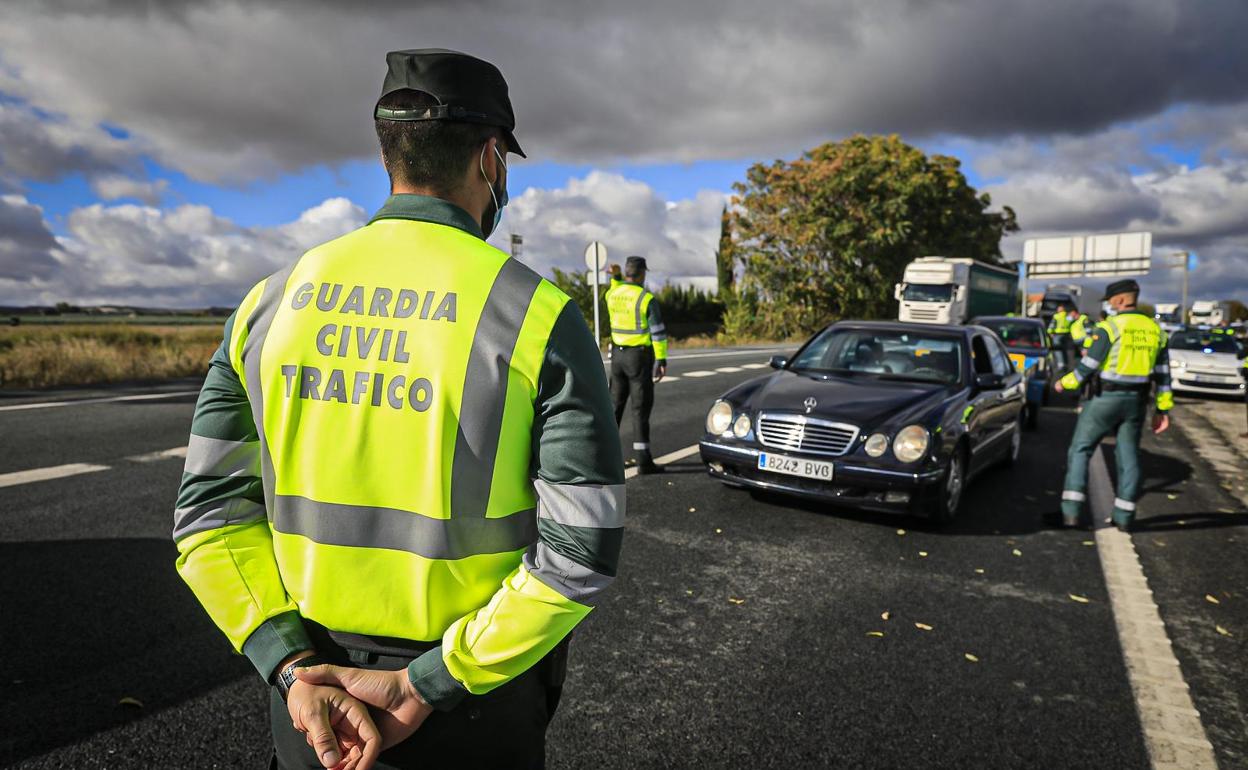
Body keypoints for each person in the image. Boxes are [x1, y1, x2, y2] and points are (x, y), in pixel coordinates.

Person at [173, 49, 625, 770]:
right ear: (490, 160)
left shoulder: (266, 304)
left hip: (312, 698)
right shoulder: (538, 315)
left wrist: (290, 667)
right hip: (471, 699)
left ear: (390, 155)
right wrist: (427, 684)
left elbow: (209, 523)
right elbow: (580, 553)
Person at [1056, 280, 1172, 531]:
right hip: (1137, 402)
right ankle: (1124, 516)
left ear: (1119, 301)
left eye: (1109, 301)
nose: (1108, 305)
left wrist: (1064, 384)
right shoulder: (1156, 330)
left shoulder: (1110, 327)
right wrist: (1162, 410)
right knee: (1129, 456)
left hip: (1106, 400)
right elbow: (1163, 376)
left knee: (1080, 449)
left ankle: (1071, 513)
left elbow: (1089, 366)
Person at [605, 256, 669, 473]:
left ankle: (602, 459)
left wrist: (615, 277)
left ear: (626, 273)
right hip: (638, 359)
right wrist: (661, 359)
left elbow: (615, 286)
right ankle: (643, 461)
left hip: (617, 358)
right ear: (642, 273)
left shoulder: (612, 294)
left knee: (614, 407)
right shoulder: (645, 299)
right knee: (640, 409)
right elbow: (658, 333)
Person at [1048, 304, 1074, 371]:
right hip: (1066, 335)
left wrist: (1050, 332)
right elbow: (1072, 323)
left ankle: (1061, 365)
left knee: (1058, 351)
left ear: (1061, 309)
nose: (1057, 309)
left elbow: (1052, 325)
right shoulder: (1068, 316)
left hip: (1057, 335)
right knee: (1064, 350)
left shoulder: (1056, 316)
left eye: (1058, 308)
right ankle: (1066, 364)